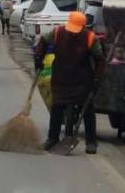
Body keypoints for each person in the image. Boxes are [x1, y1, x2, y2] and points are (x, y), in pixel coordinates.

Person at [34, 11, 104, 154]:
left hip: (82, 80)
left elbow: (100, 59)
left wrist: (97, 79)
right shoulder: (58, 32)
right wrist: (38, 59)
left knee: (88, 110)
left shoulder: (90, 38)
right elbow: (43, 41)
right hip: (61, 77)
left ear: (83, 27)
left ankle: (91, 142)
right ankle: (52, 139)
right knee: (57, 108)